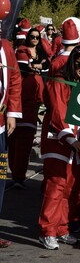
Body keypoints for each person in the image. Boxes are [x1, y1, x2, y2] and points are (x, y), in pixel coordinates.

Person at [38, 45, 80, 250]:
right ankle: (47, 230)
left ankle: (61, 229)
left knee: (69, 187)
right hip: (57, 139)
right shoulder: (59, 81)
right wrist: (72, 140)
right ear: (72, 62)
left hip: (74, 141)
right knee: (56, 186)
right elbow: (58, 115)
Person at [8, 47, 43, 188]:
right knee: (22, 151)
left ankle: (11, 176)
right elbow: (42, 97)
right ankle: (18, 177)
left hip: (11, 119)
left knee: (12, 150)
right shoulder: (36, 78)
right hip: (27, 119)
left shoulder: (9, 75)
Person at [0, 35, 23, 248]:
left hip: (0, 124)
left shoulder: (5, 47)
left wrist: (13, 112)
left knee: (0, 177)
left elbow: (14, 78)